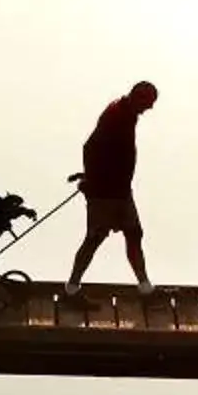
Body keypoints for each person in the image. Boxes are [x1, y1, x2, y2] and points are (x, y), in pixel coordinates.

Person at [63, 80, 157, 299]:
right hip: (104, 192)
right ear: (137, 97)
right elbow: (90, 147)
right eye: (149, 102)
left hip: (121, 190)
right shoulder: (115, 115)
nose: (150, 108)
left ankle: (145, 287)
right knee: (95, 237)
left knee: (134, 233)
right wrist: (91, 178)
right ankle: (72, 288)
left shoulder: (128, 114)